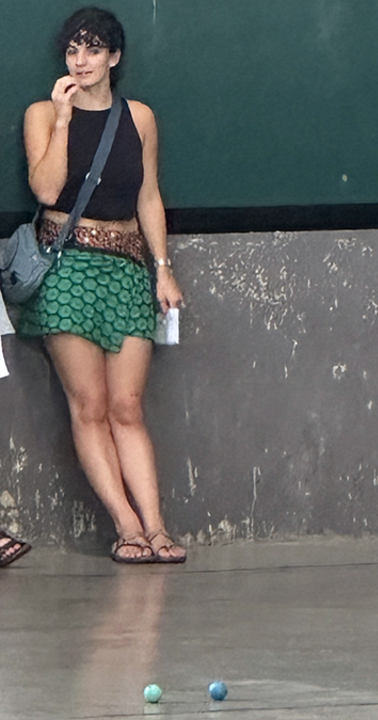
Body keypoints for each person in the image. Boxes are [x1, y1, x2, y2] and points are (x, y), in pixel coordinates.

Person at [18, 7, 185, 563]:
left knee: (127, 405)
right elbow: (46, 190)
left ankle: (158, 527)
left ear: (114, 57)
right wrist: (64, 120)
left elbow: (148, 196)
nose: (80, 61)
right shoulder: (42, 113)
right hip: (66, 268)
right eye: (72, 50)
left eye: (92, 49)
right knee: (88, 404)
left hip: (128, 268)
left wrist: (162, 267)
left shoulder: (139, 118)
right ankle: (127, 526)